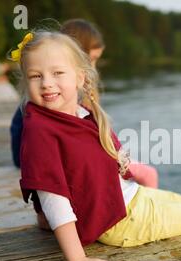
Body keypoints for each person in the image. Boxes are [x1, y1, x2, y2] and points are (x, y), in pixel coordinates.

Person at [12, 30, 181, 261]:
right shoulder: (40, 131)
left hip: (125, 200)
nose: (46, 83)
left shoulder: (77, 113)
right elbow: (53, 198)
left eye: (57, 73)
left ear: (80, 77)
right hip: (119, 220)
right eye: (36, 76)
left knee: (180, 201)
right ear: (25, 82)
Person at [10, 19, 158, 188]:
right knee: (148, 174)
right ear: (78, 56)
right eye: (92, 59)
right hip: (36, 159)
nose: (94, 67)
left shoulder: (46, 93)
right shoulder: (62, 94)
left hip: (36, 156)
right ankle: (138, 208)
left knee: (134, 171)